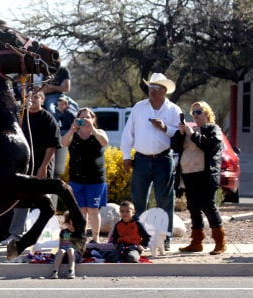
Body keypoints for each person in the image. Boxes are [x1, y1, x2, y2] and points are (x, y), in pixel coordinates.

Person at [120, 73, 182, 251]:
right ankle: (139, 236)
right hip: (140, 159)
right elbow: (128, 132)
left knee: (165, 201)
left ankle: (165, 238)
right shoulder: (139, 107)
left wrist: (165, 127)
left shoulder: (173, 110)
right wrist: (126, 155)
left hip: (163, 159)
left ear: (164, 91)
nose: (152, 92)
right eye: (150, 88)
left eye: (156, 88)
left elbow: (179, 135)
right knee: (138, 200)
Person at [2, 91, 60, 245]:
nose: (32, 100)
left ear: (42, 99)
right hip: (23, 166)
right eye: (29, 97)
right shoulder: (21, 117)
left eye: (36, 97)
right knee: (21, 199)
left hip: (41, 165)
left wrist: (44, 167)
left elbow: (52, 146)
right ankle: (16, 234)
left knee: (43, 200)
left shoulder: (48, 118)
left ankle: (44, 235)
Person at [171, 101, 226, 255]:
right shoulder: (190, 129)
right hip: (189, 174)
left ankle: (220, 241)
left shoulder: (213, 129)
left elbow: (210, 146)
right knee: (194, 207)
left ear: (207, 114)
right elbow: (175, 147)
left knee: (208, 206)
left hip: (206, 175)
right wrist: (181, 134)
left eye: (199, 112)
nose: (195, 115)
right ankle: (196, 242)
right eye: (193, 112)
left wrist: (192, 134)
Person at [61, 107, 109, 242]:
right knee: (80, 210)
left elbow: (105, 142)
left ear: (93, 119)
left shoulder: (99, 133)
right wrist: (72, 129)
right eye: (82, 117)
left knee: (93, 210)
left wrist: (92, 129)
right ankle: (81, 236)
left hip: (95, 179)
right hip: (77, 178)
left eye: (88, 117)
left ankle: (95, 237)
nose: (85, 120)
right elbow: (63, 143)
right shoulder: (73, 134)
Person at [50, 211, 81, 279]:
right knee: (61, 250)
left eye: (73, 224)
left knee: (70, 249)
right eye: (69, 224)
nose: (72, 226)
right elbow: (62, 245)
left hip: (75, 255)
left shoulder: (79, 232)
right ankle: (55, 271)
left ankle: (71, 270)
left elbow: (80, 246)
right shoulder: (65, 232)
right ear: (66, 224)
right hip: (65, 254)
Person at [53, 96, 77, 179]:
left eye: (61, 105)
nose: (59, 107)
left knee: (59, 133)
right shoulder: (64, 113)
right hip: (67, 130)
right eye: (58, 105)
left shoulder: (69, 113)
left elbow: (70, 126)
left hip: (71, 132)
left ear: (66, 105)